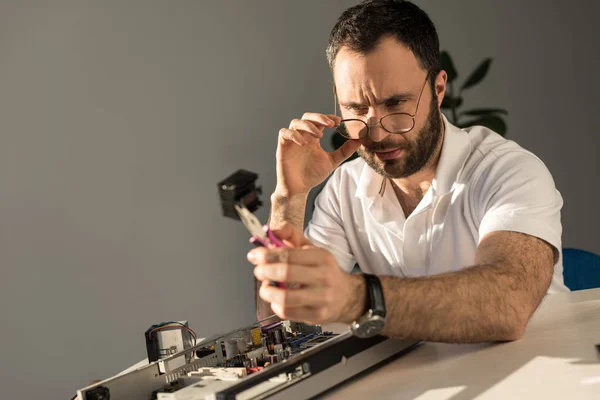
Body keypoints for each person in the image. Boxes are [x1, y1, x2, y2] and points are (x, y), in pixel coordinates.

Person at [246, 0, 567, 343]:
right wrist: (290, 197)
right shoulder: (344, 189)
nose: (377, 133)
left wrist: (358, 298)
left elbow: (508, 302)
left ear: (438, 89)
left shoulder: (508, 171)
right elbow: (279, 320)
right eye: (356, 108)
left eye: (396, 103)